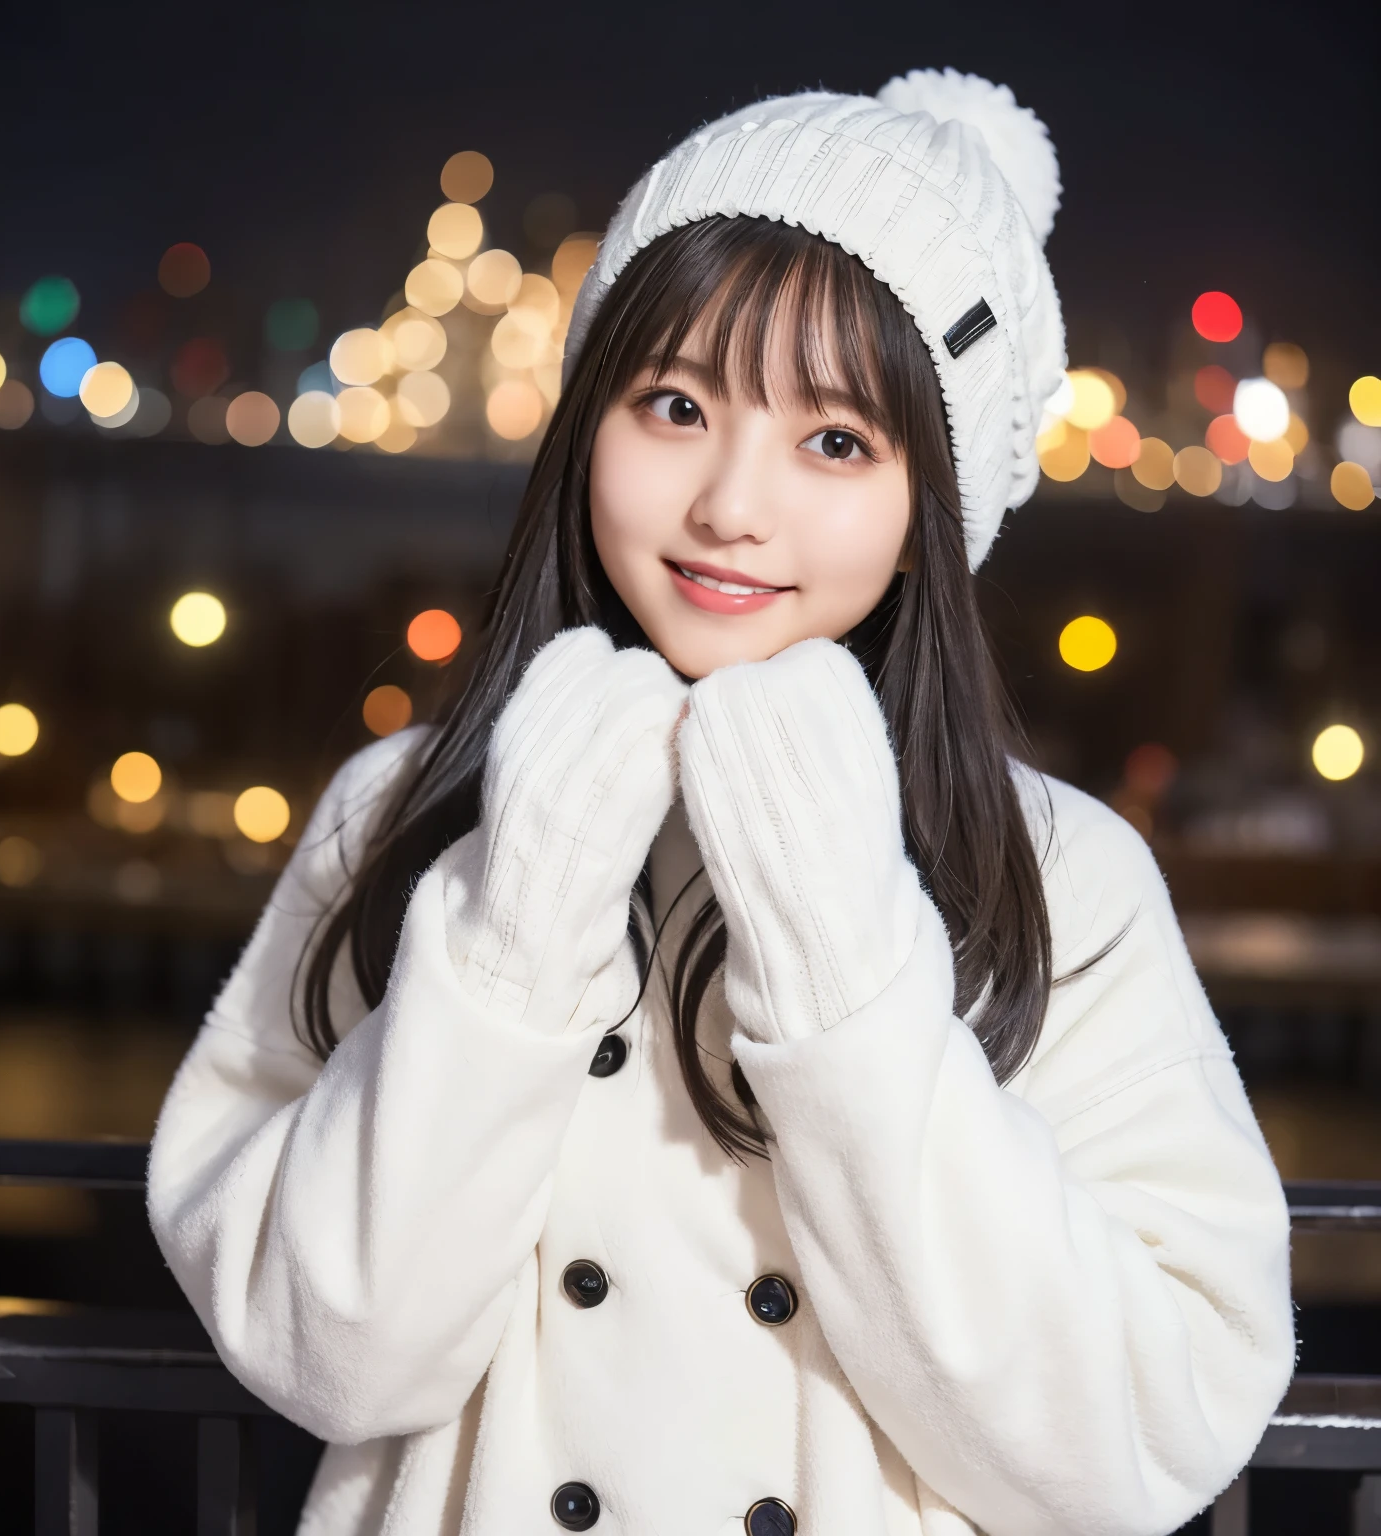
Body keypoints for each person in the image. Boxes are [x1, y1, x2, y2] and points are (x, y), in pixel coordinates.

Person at [148, 71, 1294, 1536]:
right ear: (588, 422)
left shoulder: (1061, 873)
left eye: (835, 441)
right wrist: (518, 914)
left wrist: (840, 952)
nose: (730, 505)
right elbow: (327, 1350)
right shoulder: (401, 808)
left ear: (932, 507)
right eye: (677, 404)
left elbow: (1141, 1429)